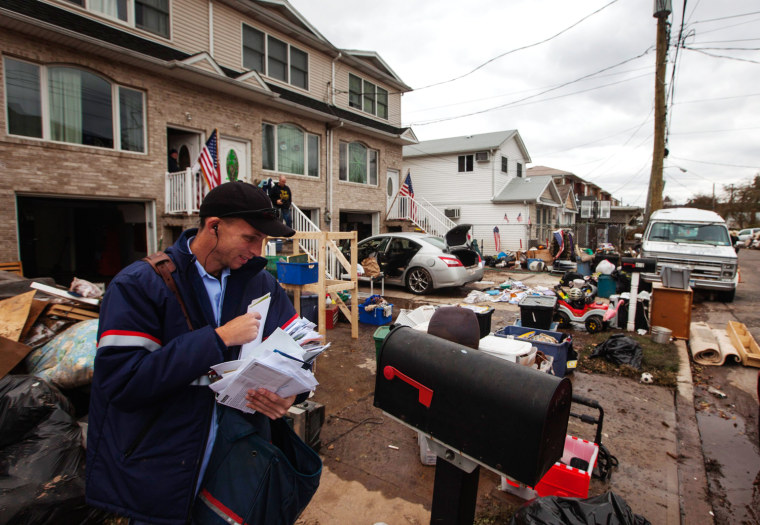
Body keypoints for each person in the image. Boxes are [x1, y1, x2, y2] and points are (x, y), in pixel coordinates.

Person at [86, 182, 305, 524]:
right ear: (214, 225)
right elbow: (122, 383)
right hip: (159, 470)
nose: (258, 249)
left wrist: (291, 392)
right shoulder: (139, 285)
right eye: (250, 237)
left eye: (263, 239)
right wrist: (216, 339)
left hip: (233, 467)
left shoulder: (261, 284)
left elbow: (298, 347)